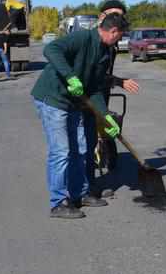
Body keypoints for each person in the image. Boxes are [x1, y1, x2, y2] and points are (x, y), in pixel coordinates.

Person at [31, 13, 126, 219]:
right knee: (61, 151)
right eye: (119, 37)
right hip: (53, 98)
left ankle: (79, 194)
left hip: (74, 103)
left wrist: (106, 117)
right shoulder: (82, 37)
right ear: (113, 32)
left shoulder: (105, 52)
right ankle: (58, 203)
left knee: (81, 149)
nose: (118, 41)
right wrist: (70, 76)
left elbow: (95, 89)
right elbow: (51, 49)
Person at [84, 0, 140, 198]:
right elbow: (93, 74)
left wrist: (113, 82)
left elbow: (104, 73)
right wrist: (118, 81)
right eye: (113, 14)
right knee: (86, 139)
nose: (117, 18)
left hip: (101, 91)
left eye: (120, 15)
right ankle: (87, 186)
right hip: (85, 94)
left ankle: (100, 172)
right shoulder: (91, 39)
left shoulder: (112, 44)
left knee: (102, 130)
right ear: (102, 16)